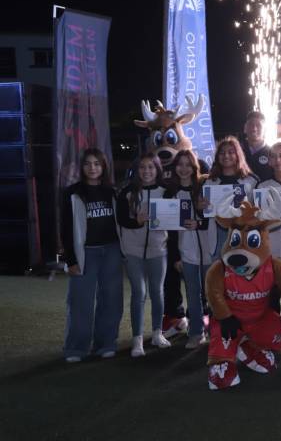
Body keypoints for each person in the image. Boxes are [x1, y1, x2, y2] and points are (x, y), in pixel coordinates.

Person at [61, 148, 123, 363]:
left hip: (111, 251)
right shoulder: (72, 192)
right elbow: (65, 229)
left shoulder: (112, 191)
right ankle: (76, 348)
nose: (92, 168)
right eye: (88, 163)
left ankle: (106, 344)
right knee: (80, 302)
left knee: (111, 300)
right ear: (82, 167)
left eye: (97, 163)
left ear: (103, 167)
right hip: (85, 253)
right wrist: (70, 260)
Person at [117, 153, 171, 357]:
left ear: (157, 169)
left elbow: (173, 219)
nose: (146, 171)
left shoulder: (166, 191)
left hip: (158, 250)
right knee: (139, 293)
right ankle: (137, 339)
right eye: (142, 167)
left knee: (157, 291)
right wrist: (137, 222)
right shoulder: (127, 192)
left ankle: (157, 333)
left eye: (151, 167)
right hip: (133, 250)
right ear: (136, 170)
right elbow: (122, 219)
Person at [164, 149, 212, 349]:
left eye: (187, 165)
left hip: (208, 250)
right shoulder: (170, 193)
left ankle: (218, 332)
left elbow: (214, 217)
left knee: (212, 293)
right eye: (180, 164)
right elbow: (169, 230)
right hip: (186, 251)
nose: (183, 169)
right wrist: (175, 257)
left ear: (194, 167)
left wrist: (199, 222)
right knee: (193, 293)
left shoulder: (205, 187)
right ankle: (196, 332)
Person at [201, 137, 260, 260]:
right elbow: (203, 211)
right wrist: (201, 206)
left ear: (238, 155)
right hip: (218, 234)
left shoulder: (251, 180)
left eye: (231, 152)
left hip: (243, 233)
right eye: (222, 152)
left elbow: (258, 210)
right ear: (217, 156)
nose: (226, 156)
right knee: (219, 269)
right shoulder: (210, 182)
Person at [242, 110, 274, 182]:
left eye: (258, 125)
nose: (254, 129)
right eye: (251, 125)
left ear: (265, 130)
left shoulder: (272, 153)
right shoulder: (236, 152)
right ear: (245, 128)